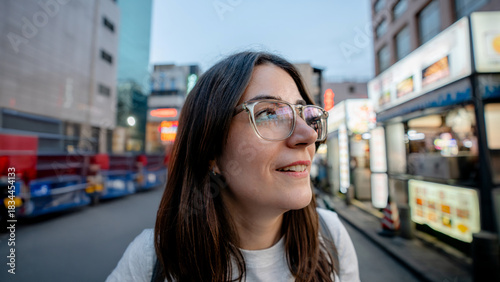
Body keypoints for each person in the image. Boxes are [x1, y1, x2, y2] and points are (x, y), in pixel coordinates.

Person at [106, 51, 359, 282]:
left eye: (305, 114)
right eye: (269, 114)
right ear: (211, 152)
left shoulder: (330, 237)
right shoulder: (152, 260)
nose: (308, 135)